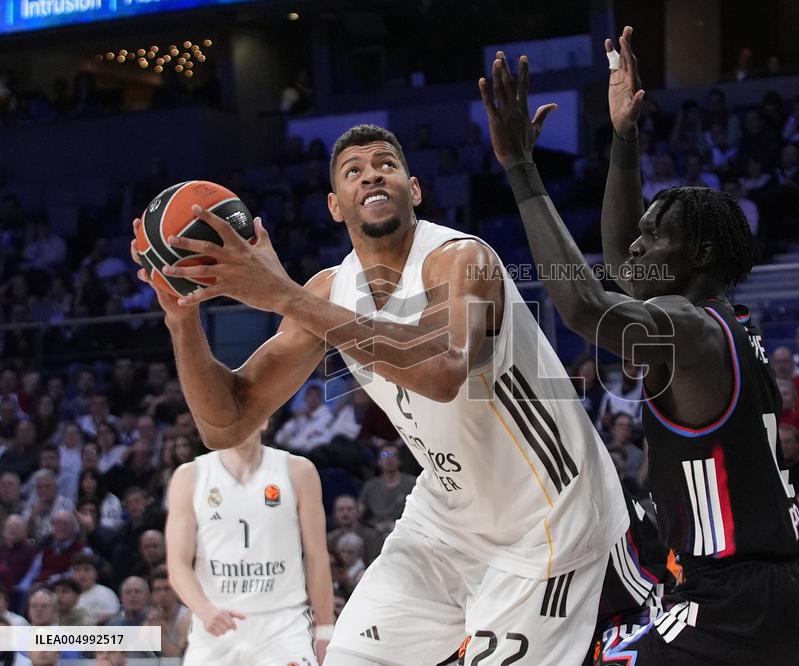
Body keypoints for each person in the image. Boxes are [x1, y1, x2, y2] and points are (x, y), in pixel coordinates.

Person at [130, 114, 633, 665]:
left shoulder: (462, 258)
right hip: (445, 521)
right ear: (335, 205)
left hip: (547, 525)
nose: (371, 176)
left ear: (413, 190)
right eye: (353, 171)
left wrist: (284, 296)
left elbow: (442, 369)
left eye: (386, 165)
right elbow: (226, 424)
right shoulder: (329, 289)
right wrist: (181, 322)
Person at [479, 26, 799, 665]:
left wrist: (522, 170)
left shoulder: (691, 329)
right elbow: (618, 266)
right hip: (787, 588)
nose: (634, 249)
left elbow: (584, 301)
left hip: (735, 601)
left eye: (654, 236)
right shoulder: (722, 325)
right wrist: (624, 139)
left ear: (697, 253)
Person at [165, 425, 333, 665]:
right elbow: (178, 563)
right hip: (216, 626)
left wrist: (325, 630)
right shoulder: (189, 476)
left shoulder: (298, 470)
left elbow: (317, 557)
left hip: (283, 626)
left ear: (265, 420)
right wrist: (203, 609)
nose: (238, 419)